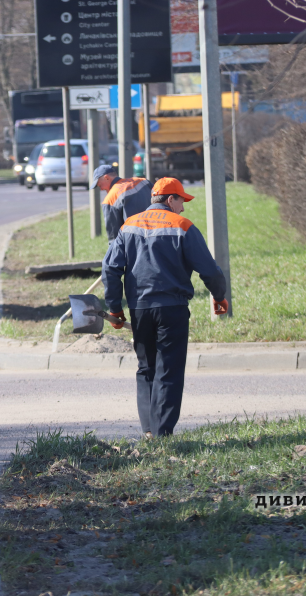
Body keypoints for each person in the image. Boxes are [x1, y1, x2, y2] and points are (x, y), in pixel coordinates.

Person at [102, 177, 230, 438]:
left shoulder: (128, 226)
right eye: (181, 200)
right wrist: (219, 296)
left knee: (146, 368)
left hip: (139, 309)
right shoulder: (183, 226)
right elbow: (210, 270)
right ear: (170, 199)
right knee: (168, 369)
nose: (183, 207)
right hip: (172, 308)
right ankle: (162, 434)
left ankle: (149, 431)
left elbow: (110, 268)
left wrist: (115, 308)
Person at [89, 164, 152, 242]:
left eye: (100, 185)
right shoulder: (143, 181)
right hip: (157, 235)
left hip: (136, 243)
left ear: (107, 178)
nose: (101, 189)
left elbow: (115, 239)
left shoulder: (110, 199)